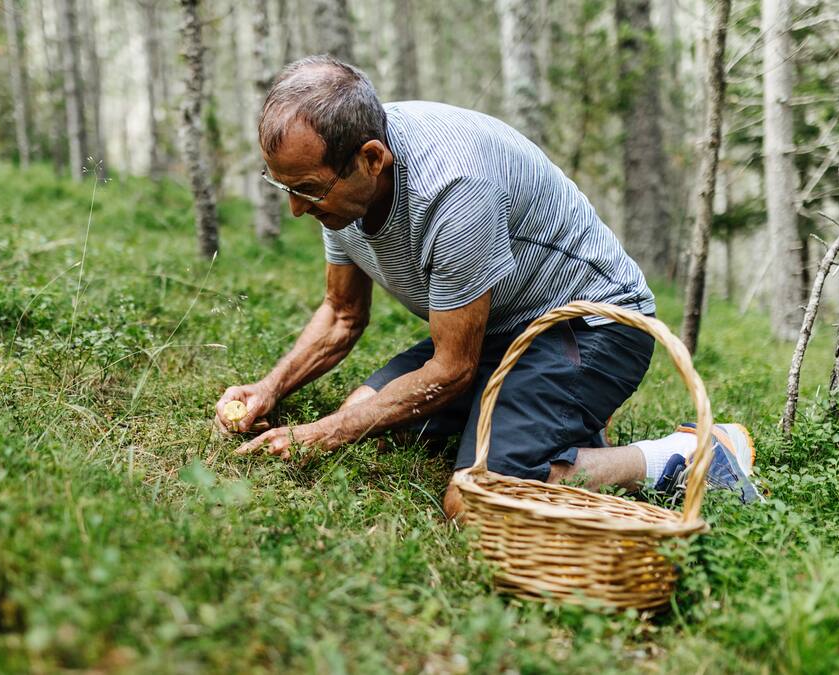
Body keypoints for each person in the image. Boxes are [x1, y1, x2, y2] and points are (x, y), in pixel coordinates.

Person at [214, 56, 761, 518]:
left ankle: (686, 455)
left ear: (371, 159)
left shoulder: (455, 187)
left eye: (306, 190)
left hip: (589, 326)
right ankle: (540, 423)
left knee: (473, 501)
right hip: (492, 325)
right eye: (283, 187)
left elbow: (450, 370)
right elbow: (341, 315)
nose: (294, 209)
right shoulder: (342, 186)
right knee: (365, 408)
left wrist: (323, 434)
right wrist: (271, 388)